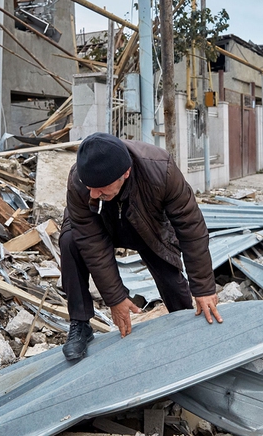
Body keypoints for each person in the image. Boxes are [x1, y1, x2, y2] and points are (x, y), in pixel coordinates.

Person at [59, 133, 223, 361]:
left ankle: (186, 320)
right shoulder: (79, 181)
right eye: (90, 188)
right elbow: (92, 243)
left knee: (172, 282)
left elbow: (191, 227)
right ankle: (80, 323)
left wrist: (204, 288)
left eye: (101, 188)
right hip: (100, 225)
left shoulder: (160, 169)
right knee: (70, 241)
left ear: (125, 173)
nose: (94, 194)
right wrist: (116, 298)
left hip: (147, 224)